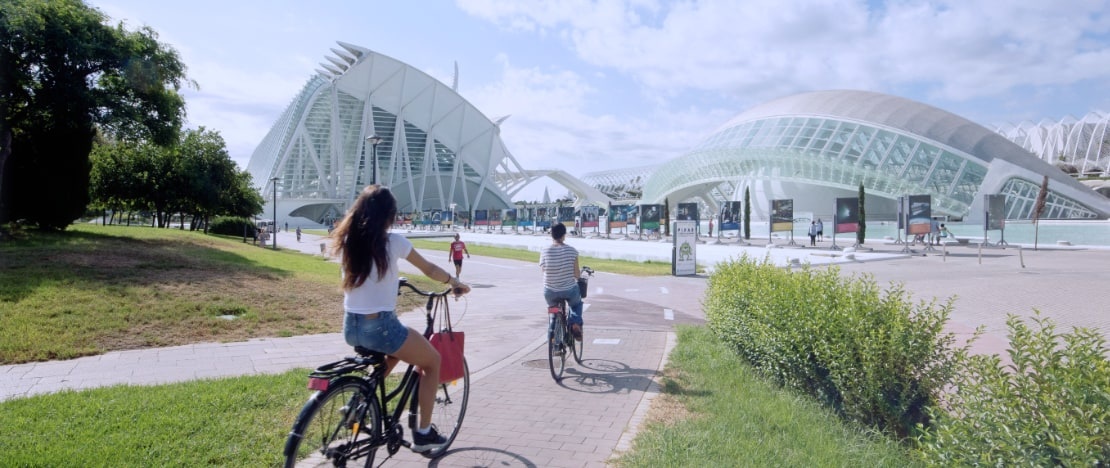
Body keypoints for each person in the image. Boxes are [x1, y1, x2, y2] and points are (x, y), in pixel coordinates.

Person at [330, 185, 471, 454]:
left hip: (351, 326)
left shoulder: (349, 240)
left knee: (395, 350)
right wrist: (454, 282)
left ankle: (360, 403)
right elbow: (428, 268)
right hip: (379, 326)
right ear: (389, 215)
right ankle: (424, 433)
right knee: (432, 361)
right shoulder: (393, 242)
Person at [540, 223, 584, 341]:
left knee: (554, 311)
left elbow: (543, 269)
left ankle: (554, 337)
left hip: (550, 291)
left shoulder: (544, 250)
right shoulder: (572, 251)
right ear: (564, 235)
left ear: (551, 235)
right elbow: (576, 274)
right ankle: (575, 323)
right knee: (576, 305)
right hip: (569, 290)